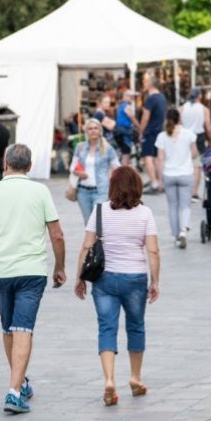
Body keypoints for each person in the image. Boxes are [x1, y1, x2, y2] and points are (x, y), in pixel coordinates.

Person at [0, 144, 66, 415]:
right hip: (31, 270)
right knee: (23, 327)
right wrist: (59, 266)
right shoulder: (40, 191)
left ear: (5, 163)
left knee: (8, 327)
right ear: (30, 165)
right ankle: (14, 391)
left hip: (0, 271)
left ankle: (20, 381)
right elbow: (57, 234)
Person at [74, 166, 160, 406]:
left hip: (104, 279)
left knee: (106, 328)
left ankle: (109, 380)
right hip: (135, 279)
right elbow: (152, 250)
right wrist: (155, 281)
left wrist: (79, 278)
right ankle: (134, 378)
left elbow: (86, 247)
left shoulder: (99, 211)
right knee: (136, 327)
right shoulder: (145, 214)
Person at [156, 107, 198, 248]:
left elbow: (160, 159)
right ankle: (183, 231)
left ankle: (176, 237)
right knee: (185, 205)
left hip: (169, 174)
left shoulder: (162, 136)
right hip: (185, 173)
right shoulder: (189, 134)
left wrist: (159, 179)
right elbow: (194, 154)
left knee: (172, 207)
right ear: (179, 118)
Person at [71, 118, 119, 223]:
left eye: (96, 128)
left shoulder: (108, 148)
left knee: (97, 221)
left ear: (100, 131)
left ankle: (99, 239)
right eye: (90, 128)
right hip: (83, 192)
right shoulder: (80, 147)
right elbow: (73, 167)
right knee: (88, 223)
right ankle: (92, 240)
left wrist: (112, 180)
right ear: (86, 132)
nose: (93, 131)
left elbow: (117, 167)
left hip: (101, 191)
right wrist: (78, 173)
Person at [180, 87, 211, 201]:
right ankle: (194, 192)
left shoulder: (182, 108)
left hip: (184, 137)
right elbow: (208, 127)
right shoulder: (204, 109)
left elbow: (178, 125)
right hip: (198, 138)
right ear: (199, 96)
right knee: (197, 166)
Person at [138, 73, 167, 193]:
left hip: (150, 132)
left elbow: (145, 117)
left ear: (150, 83)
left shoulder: (151, 99)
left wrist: (141, 131)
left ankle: (154, 183)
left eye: (145, 81)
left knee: (147, 157)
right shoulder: (162, 97)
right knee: (156, 158)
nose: (143, 83)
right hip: (159, 131)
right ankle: (160, 183)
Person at [114, 90, 139, 166]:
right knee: (126, 154)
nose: (132, 98)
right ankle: (124, 174)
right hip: (125, 133)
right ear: (125, 96)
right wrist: (139, 127)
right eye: (130, 96)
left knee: (125, 154)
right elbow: (132, 117)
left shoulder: (121, 105)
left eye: (133, 97)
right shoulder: (126, 106)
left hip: (121, 132)